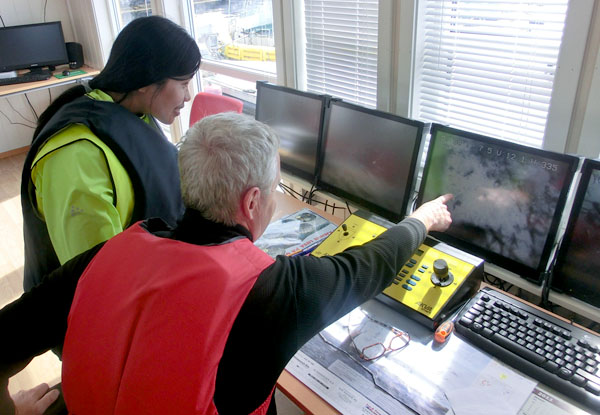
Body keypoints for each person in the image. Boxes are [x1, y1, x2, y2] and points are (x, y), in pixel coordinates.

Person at [2, 113, 453, 414]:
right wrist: (423, 219)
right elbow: (368, 266)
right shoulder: (275, 292)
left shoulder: (107, 253)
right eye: (274, 189)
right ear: (253, 200)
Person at [21, 15, 201, 291]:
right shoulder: (76, 156)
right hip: (83, 317)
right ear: (146, 81)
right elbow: (100, 280)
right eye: (183, 84)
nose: (187, 97)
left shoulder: (135, 110)